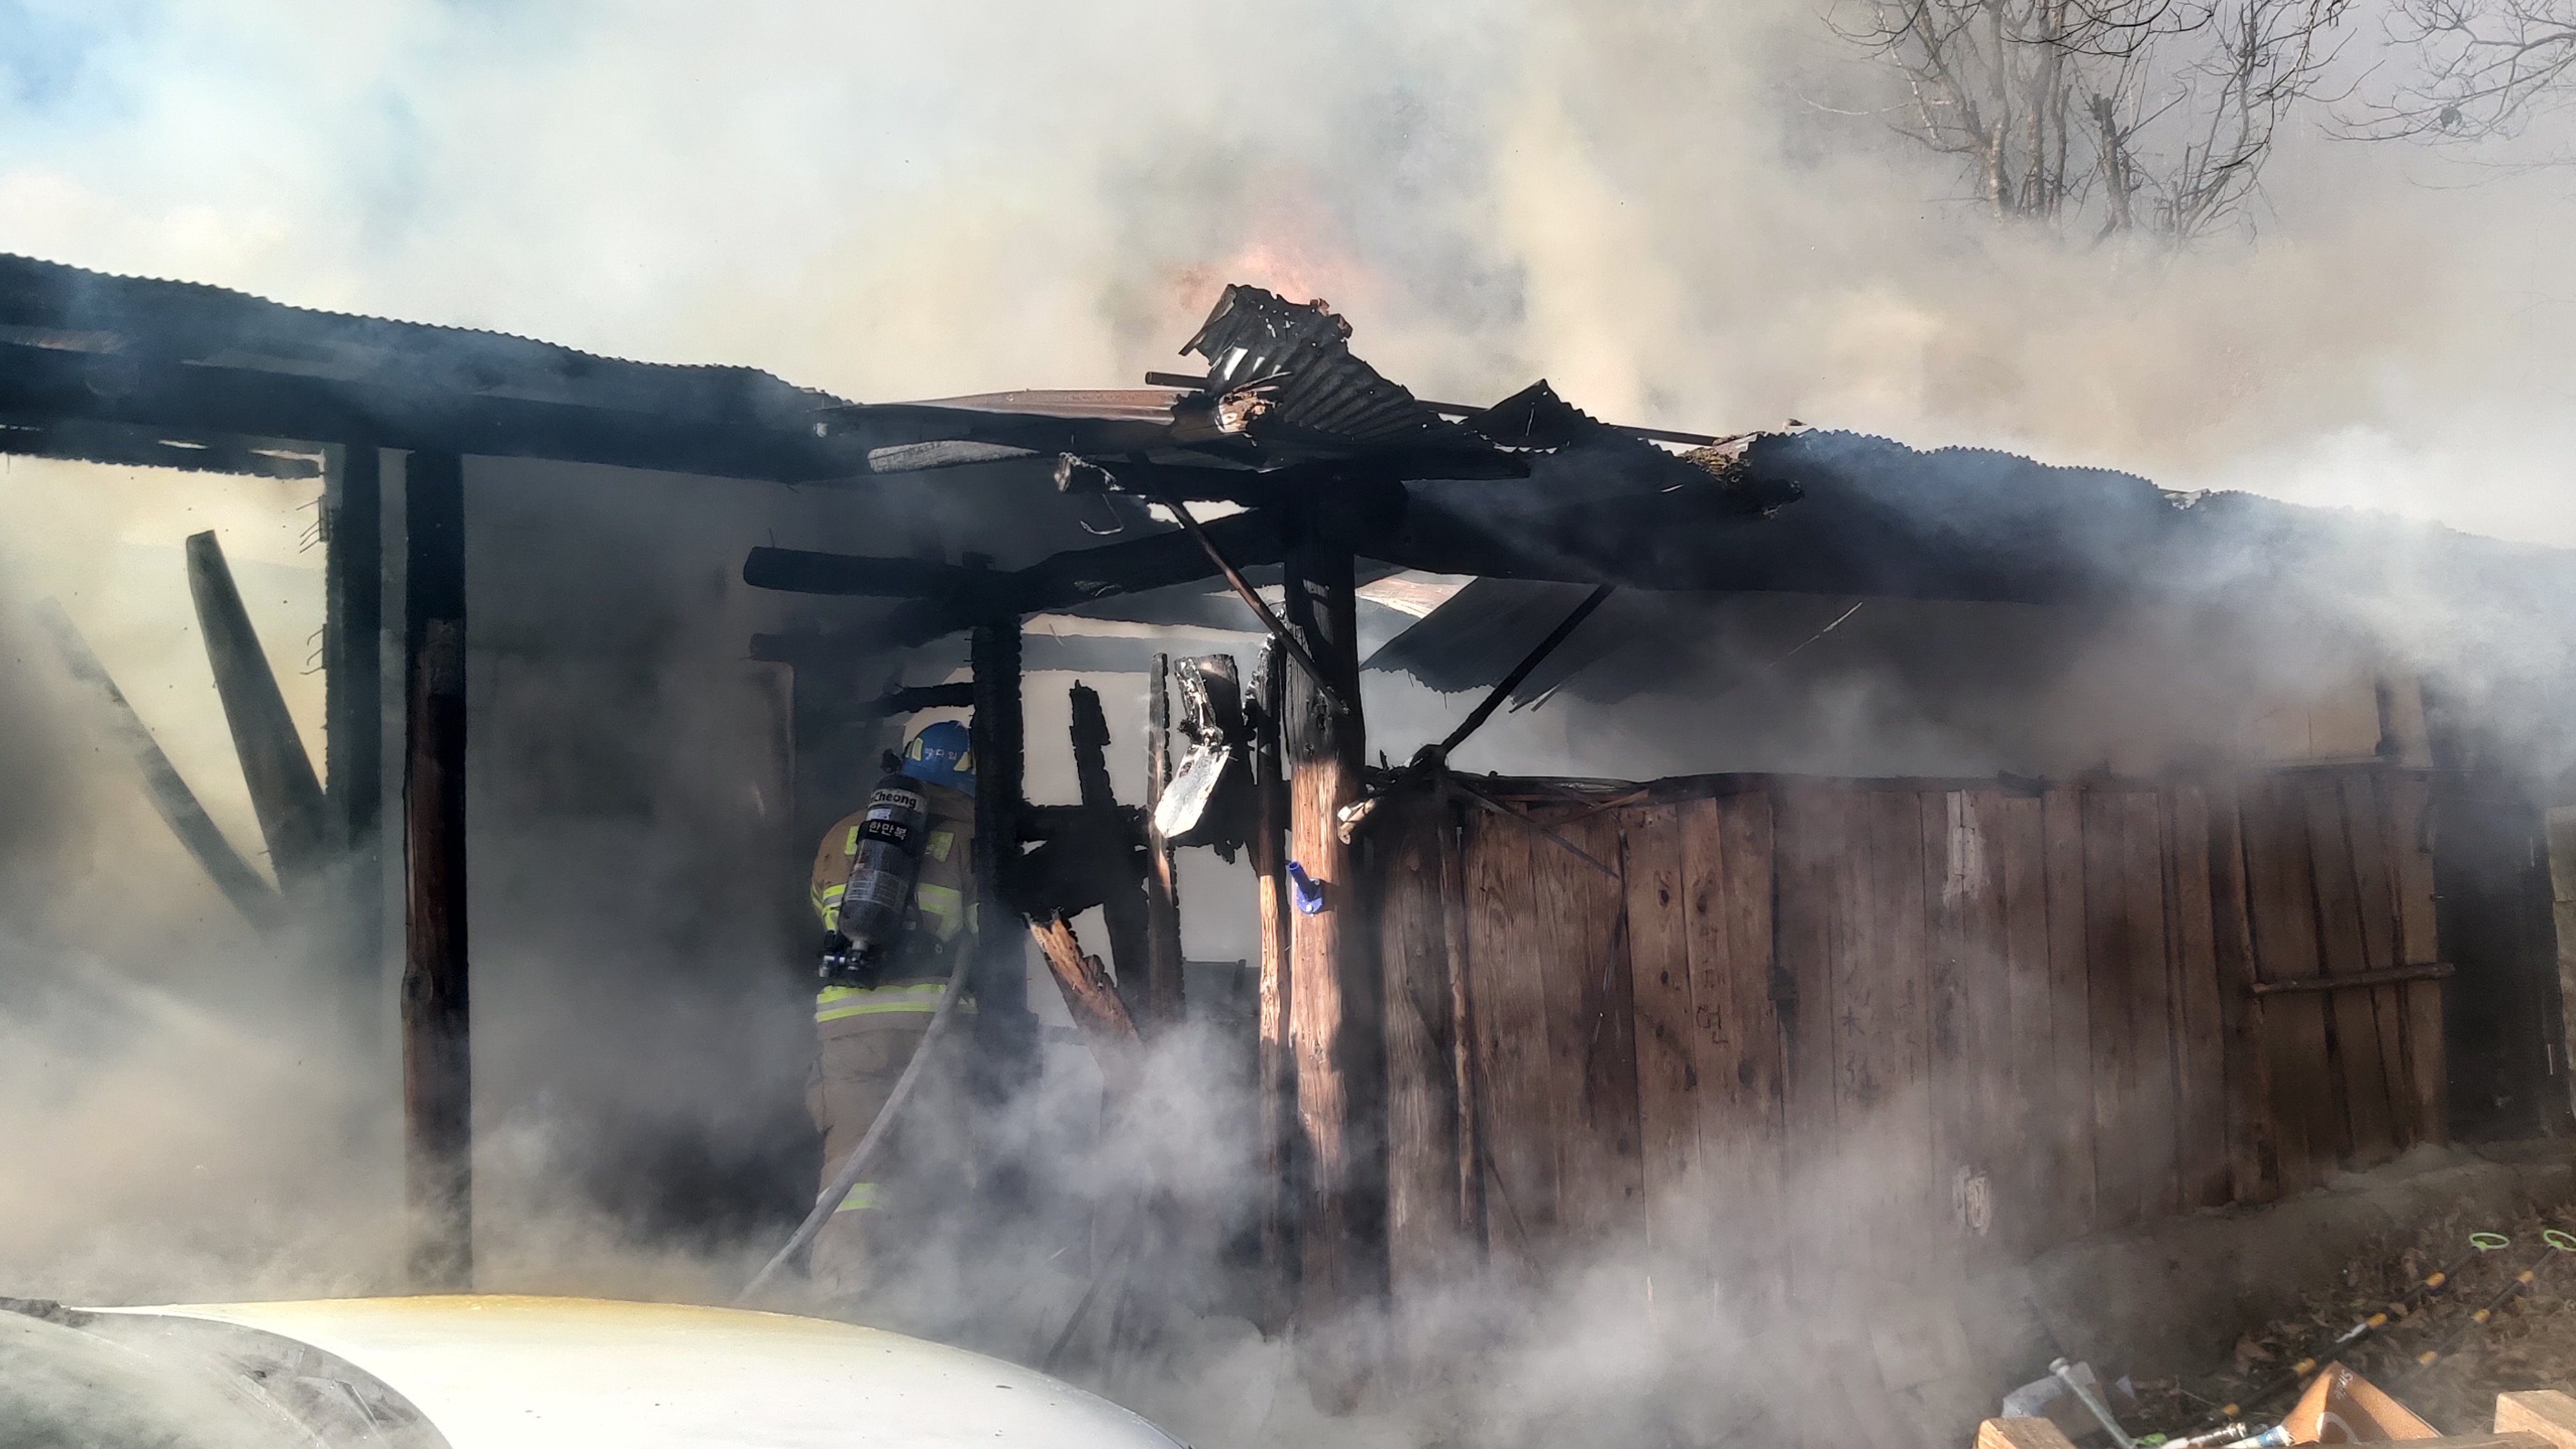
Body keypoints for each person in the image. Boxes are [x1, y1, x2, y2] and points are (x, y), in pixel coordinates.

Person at [804, 719, 977, 1297]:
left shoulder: (843, 833)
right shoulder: (972, 834)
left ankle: (841, 1288)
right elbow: (988, 934)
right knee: (941, 1150)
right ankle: (936, 1292)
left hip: (846, 1023)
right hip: (930, 1025)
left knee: (853, 1165)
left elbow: (822, 910)